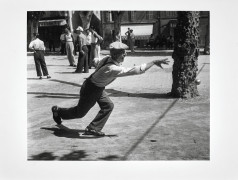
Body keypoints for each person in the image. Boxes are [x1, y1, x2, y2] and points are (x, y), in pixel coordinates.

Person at [51, 41, 169, 136]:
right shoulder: (112, 68)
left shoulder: (108, 58)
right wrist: (153, 62)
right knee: (79, 113)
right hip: (91, 89)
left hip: (97, 87)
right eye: (123, 53)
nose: (126, 54)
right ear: (116, 55)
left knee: (108, 106)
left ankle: (93, 128)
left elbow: (97, 62)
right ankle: (58, 111)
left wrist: (95, 62)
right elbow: (135, 71)